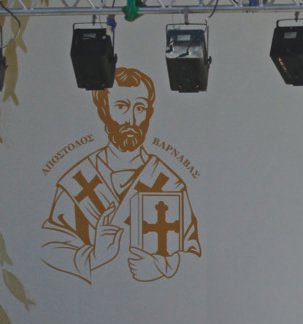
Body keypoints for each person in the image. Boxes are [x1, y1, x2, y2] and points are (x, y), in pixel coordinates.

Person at [42, 67, 200, 283]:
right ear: (103, 110)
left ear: (149, 113)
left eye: (140, 108)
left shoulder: (168, 183)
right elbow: (48, 248)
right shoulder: (78, 181)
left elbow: (194, 253)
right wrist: (94, 256)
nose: (132, 120)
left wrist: (162, 267)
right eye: (121, 106)